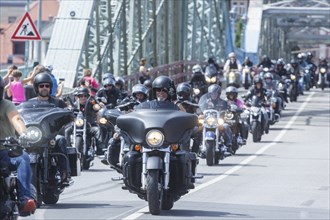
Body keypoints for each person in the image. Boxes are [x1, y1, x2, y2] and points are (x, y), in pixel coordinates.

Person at [0, 76, 37, 215]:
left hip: (4, 151)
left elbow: (16, 118)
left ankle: (24, 198)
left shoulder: (6, 105)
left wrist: (23, 134)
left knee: (23, 158)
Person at [28, 72, 71, 181]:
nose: (44, 88)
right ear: (37, 87)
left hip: (52, 134)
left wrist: (70, 113)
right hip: (36, 135)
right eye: (41, 86)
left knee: (61, 140)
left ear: (50, 87)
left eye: (47, 86)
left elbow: (66, 115)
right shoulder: (29, 103)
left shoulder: (58, 102)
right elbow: (22, 114)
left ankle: (64, 172)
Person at [65, 87, 105, 155]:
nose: (83, 98)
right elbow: (69, 111)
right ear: (77, 97)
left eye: (85, 96)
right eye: (81, 96)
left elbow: (97, 107)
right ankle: (67, 148)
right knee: (66, 131)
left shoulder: (91, 103)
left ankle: (99, 149)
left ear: (87, 96)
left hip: (89, 125)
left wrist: (98, 105)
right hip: (76, 125)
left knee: (97, 130)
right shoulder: (74, 105)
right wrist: (68, 109)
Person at [198, 84, 233, 154]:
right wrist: (199, 110)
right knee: (197, 128)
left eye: (215, 94)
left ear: (218, 94)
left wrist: (228, 109)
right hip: (208, 121)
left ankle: (228, 145)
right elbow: (200, 107)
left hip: (218, 121)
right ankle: (197, 145)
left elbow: (227, 108)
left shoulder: (222, 102)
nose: (213, 95)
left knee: (226, 126)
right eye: (212, 94)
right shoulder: (206, 101)